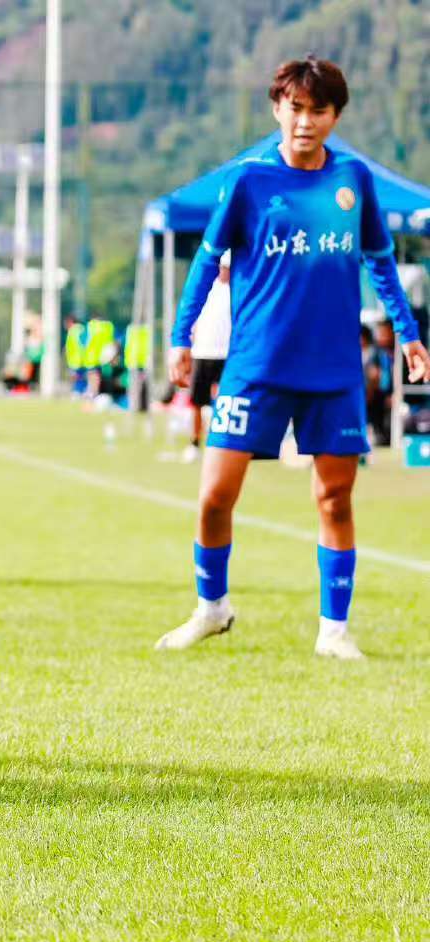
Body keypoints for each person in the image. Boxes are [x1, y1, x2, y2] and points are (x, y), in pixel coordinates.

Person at [157, 56, 427, 659]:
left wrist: (408, 333)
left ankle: (334, 630)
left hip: (333, 371)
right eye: (295, 108)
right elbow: (207, 260)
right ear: (277, 108)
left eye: (318, 111)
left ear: (335, 116)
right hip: (255, 367)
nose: (305, 121)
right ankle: (211, 607)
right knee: (214, 495)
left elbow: (380, 261)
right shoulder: (249, 182)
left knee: (334, 498)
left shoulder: (353, 180)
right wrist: (181, 335)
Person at [185, 250, 232, 462]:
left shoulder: (238, 289)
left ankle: (223, 445)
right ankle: (195, 442)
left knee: (225, 401)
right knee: (197, 402)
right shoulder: (205, 288)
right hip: (203, 352)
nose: (225, 271)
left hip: (227, 353)